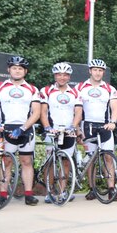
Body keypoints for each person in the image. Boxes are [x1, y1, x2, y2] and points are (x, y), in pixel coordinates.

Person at [0, 55, 41, 206]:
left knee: (26, 161)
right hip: (6, 128)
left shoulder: (32, 89)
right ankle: (3, 194)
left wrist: (23, 128)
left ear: (25, 71)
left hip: (26, 129)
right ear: (8, 70)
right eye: (14, 68)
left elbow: (36, 112)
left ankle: (28, 194)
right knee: (6, 162)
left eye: (20, 68)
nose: (17, 71)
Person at [38, 62, 82, 202]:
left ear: (69, 77)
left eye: (65, 75)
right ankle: (49, 192)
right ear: (55, 75)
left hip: (68, 131)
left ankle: (62, 192)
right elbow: (43, 112)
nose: (62, 77)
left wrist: (73, 126)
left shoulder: (75, 92)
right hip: (52, 130)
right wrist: (47, 127)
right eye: (59, 74)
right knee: (51, 162)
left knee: (66, 162)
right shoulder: (46, 91)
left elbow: (78, 112)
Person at [76, 59, 117, 200]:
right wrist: (77, 128)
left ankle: (111, 188)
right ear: (90, 71)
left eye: (100, 70)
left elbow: (114, 108)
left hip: (105, 126)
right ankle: (92, 188)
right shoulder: (80, 87)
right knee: (91, 160)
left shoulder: (109, 88)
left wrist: (113, 122)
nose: (97, 73)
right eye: (95, 70)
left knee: (108, 157)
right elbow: (76, 109)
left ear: (103, 72)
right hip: (87, 126)